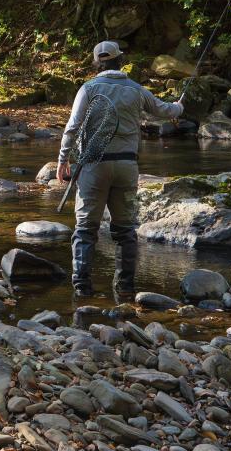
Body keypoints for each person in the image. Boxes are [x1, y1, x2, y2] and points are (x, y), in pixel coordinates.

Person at [57, 40, 183, 298]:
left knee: (85, 229)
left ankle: (81, 289)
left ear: (96, 62)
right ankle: (125, 289)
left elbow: (72, 127)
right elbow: (164, 110)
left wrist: (62, 160)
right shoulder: (136, 90)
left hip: (94, 166)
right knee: (125, 230)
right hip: (127, 166)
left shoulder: (88, 88)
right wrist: (180, 106)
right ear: (120, 60)